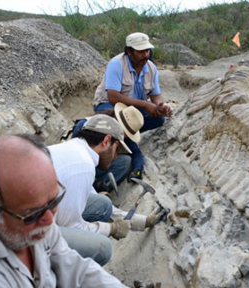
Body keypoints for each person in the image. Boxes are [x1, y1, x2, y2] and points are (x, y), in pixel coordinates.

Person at [0, 134, 126, 287]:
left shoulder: (31, 215)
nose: (49, 219)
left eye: (54, 201)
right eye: (33, 214)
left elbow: (72, 266)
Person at [50, 114, 165, 265]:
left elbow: (106, 208)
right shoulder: (82, 166)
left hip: (29, 216)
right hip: (22, 236)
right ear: (106, 141)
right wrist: (111, 228)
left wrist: (142, 222)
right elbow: (72, 227)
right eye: (116, 148)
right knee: (102, 248)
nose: (116, 156)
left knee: (102, 204)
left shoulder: (74, 149)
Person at [93, 32, 172, 181]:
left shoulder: (151, 68)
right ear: (129, 51)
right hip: (108, 107)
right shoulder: (116, 64)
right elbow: (113, 97)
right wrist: (145, 104)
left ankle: (125, 134)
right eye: (141, 51)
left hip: (132, 109)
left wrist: (160, 105)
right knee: (119, 122)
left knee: (159, 119)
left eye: (147, 51)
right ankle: (129, 144)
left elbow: (155, 94)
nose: (146, 55)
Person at [71, 103, 145, 188]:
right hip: (78, 165)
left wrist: (137, 171)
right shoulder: (87, 124)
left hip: (96, 166)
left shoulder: (122, 135)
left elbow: (136, 153)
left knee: (126, 161)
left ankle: (100, 187)